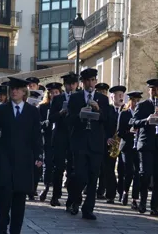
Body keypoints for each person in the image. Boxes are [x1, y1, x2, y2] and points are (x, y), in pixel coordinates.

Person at [0, 77, 43, 234]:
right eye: (12, 89)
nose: (14, 91)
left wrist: (39, 155)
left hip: (24, 158)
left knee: (20, 195)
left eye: (18, 89)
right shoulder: (2, 110)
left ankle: (16, 229)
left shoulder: (32, 111)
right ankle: (3, 221)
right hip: (4, 157)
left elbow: (36, 137)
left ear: (24, 92)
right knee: (4, 193)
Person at [66, 68, 110, 220]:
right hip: (80, 142)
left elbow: (107, 121)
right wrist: (79, 114)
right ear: (83, 83)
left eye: (93, 81)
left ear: (96, 82)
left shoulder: (103, 99)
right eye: (87, 81)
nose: (90, 84)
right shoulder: (75, 98)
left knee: (93, 177)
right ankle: (74, 199)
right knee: (80, 175)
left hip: (96, 143)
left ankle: (88, 209)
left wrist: (99, 110)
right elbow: (69, 121)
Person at [130, 79, 158, 216]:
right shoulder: (142, 105)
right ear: (149, 91)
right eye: (153, 90)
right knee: (145, 175)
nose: (156, 93)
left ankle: (155, 207)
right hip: (146, 144)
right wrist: (147, 120)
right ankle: (142, 202)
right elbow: (133, 122)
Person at [48, 72, 79, 207]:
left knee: (73, 168)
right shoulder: (58, 99)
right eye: (68, 84)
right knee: (58, 167)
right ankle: (56, 195)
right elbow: (51, 118)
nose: (71, 87)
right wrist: (60, 113)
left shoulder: (79, 98)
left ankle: (71, 198)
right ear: (65, 86)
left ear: (76, 84)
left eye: (73, 84)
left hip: (73, 137)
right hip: (60, 136)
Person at [118, 91, 143, 209]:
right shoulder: (124, 114)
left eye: (138, 101)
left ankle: (135, 198)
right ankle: (125, 192)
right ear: (130, 101)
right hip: (127, 146)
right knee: (129, 171)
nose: (135, 103)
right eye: (134, 100)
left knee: (138, 172)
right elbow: (120, 132)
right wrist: (129, 132)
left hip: (138, 146)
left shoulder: (141, 114)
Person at [38, 82, 62, 203]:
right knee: (47, 164)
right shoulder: (43, 107)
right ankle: (46, 187)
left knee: (58, 166)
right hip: (47, 138)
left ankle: (56, 194)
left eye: (56, 92)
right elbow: (38, 122)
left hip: (59, 139)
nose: (54, 95)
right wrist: (45, 123)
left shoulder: (63, 106)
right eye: (51, 93)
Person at [104, 85, 126, 204]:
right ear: (112, 96)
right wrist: (106, 138)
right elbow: (103, 126)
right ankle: (110, 194)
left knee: (123, 170)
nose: (121, 97)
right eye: (118, 95)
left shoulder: (126, 110)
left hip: (123, 144)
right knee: (109, 170)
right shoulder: (107, 109)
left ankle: (122, 193)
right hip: (111, 144)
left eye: (122, 95)